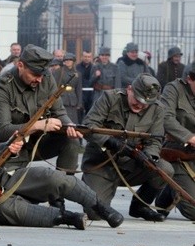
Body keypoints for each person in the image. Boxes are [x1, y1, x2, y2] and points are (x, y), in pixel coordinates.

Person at [0, 137, 124, 229]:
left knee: (51, 177)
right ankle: (65, 218)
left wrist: (8, 147)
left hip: (7, 178)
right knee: (8, 210)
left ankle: (100, 206)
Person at [81, 74, 174, 222]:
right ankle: (90, 182)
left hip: (132, 164)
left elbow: (155, 140)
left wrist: (149, 155)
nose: (141, 106)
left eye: (146, 103)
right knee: (95, 214)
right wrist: (111, 142)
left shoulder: (157, 109)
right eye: (138, 99)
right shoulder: (110, 98)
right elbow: (87, 127)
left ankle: (140, 206)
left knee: (164, 168)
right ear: (129, 89)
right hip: (102, 164)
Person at [0, 44, 81, 175]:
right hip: (6, 147)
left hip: (36, 143)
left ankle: (63, 185)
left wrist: (68, 125)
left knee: (71, 140)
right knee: (9, 190)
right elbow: (4, 131)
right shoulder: (1, 87)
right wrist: (38, 125)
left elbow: (59, 111)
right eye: (35, 74)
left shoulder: (46, 78)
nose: (40, 79)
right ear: (20, 66)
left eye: (43, 74)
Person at [154, 63, 195, 220]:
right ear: (189, 79)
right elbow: (166, 118)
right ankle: (172, 188)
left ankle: (169, 192)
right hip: (178, 152)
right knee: (193, 210)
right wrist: (190, 137)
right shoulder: (174, 89)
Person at [53, 52, 82, 124]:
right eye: (66, 60)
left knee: (73, 120)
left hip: (73, 99)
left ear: (73, 61)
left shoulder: (77, 73)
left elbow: (78, 89)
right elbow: (55, 86)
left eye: (70, 60)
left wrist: (79, 103)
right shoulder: (59, 71)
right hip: (62, 98)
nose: (68, 61)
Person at [76, 50, 95, 115]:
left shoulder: (94, 67)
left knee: (90, 113)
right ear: (81, 57)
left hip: (91, 94)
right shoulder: (77, 67)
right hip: (80, 93)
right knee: (79, 113)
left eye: (89, 57)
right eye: (85, 56)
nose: (87, 58)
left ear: (91, 57)